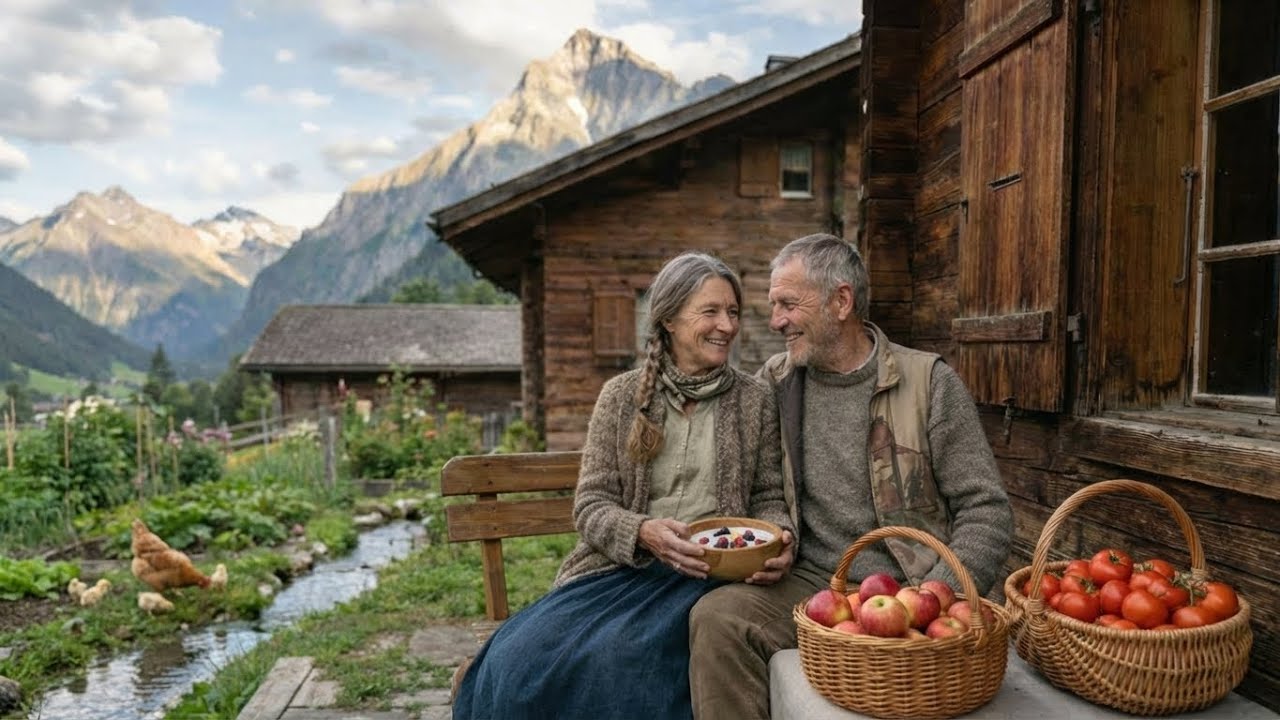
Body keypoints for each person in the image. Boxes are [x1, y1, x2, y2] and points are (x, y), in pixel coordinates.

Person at [452, 251, 795, 720]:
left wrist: (778, 537)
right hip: (620, 573)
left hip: (707, 580)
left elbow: (770, 497)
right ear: (670, 319)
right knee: (521, 660)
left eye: (733, 312)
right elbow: (591, 505)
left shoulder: (754, 400)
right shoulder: (622, 396)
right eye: (710, 311)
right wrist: (643, 532)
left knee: (623, 663)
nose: (727, 326)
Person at [687, 233, 1013, 720]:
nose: (775, 321)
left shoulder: (929, 382)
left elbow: (986, 510)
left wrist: (936, 596)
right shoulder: (774, 384)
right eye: (774, 305)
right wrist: (782, 538)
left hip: (914, 581)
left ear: (841, 301)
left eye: (788, 305)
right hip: (816, 583)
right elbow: (760, 490)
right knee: (717, 619)